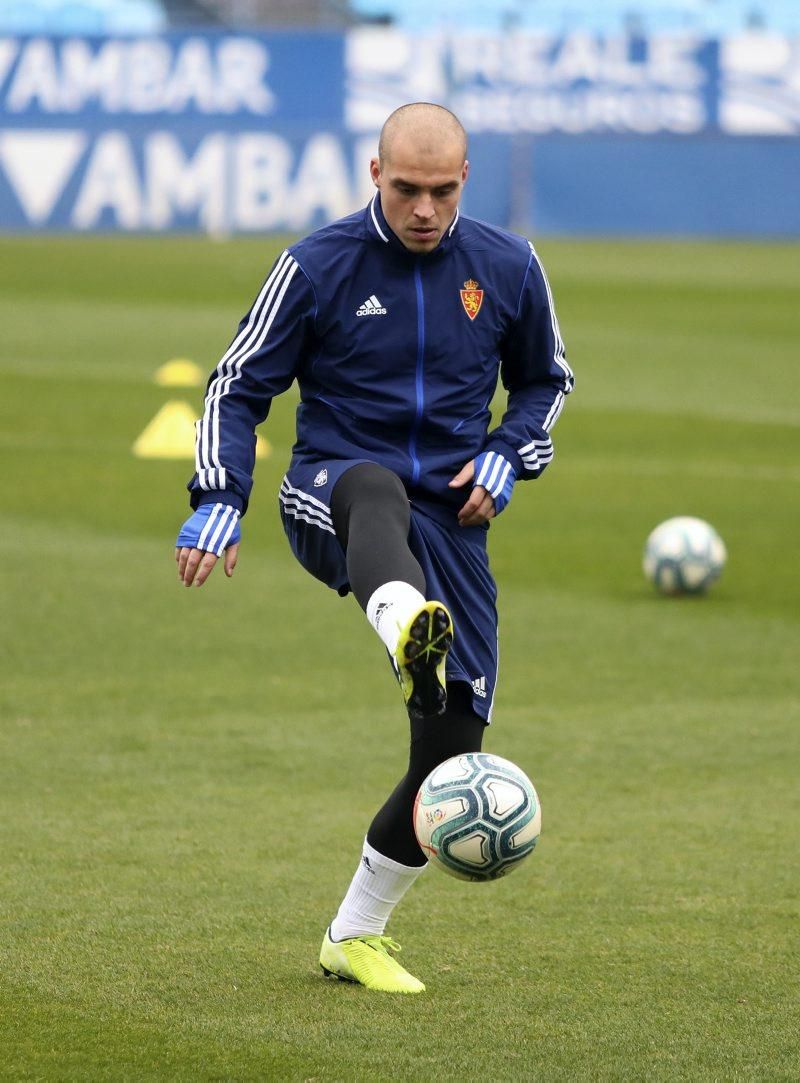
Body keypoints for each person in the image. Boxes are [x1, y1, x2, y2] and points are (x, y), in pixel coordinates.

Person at [175, 102, 573, 995]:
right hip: (333, 493)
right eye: (405, 189)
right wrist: (218, 495)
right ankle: (402, 624)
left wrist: (511, 453)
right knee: (374, 488)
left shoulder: (508, 265)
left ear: (464, 179)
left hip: (453, 521)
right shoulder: (317, 264)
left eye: (440, 190)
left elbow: (547, 381)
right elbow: (238, 385)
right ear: (373, 174)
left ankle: (354, 934)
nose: (423, 208)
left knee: (453, 747)